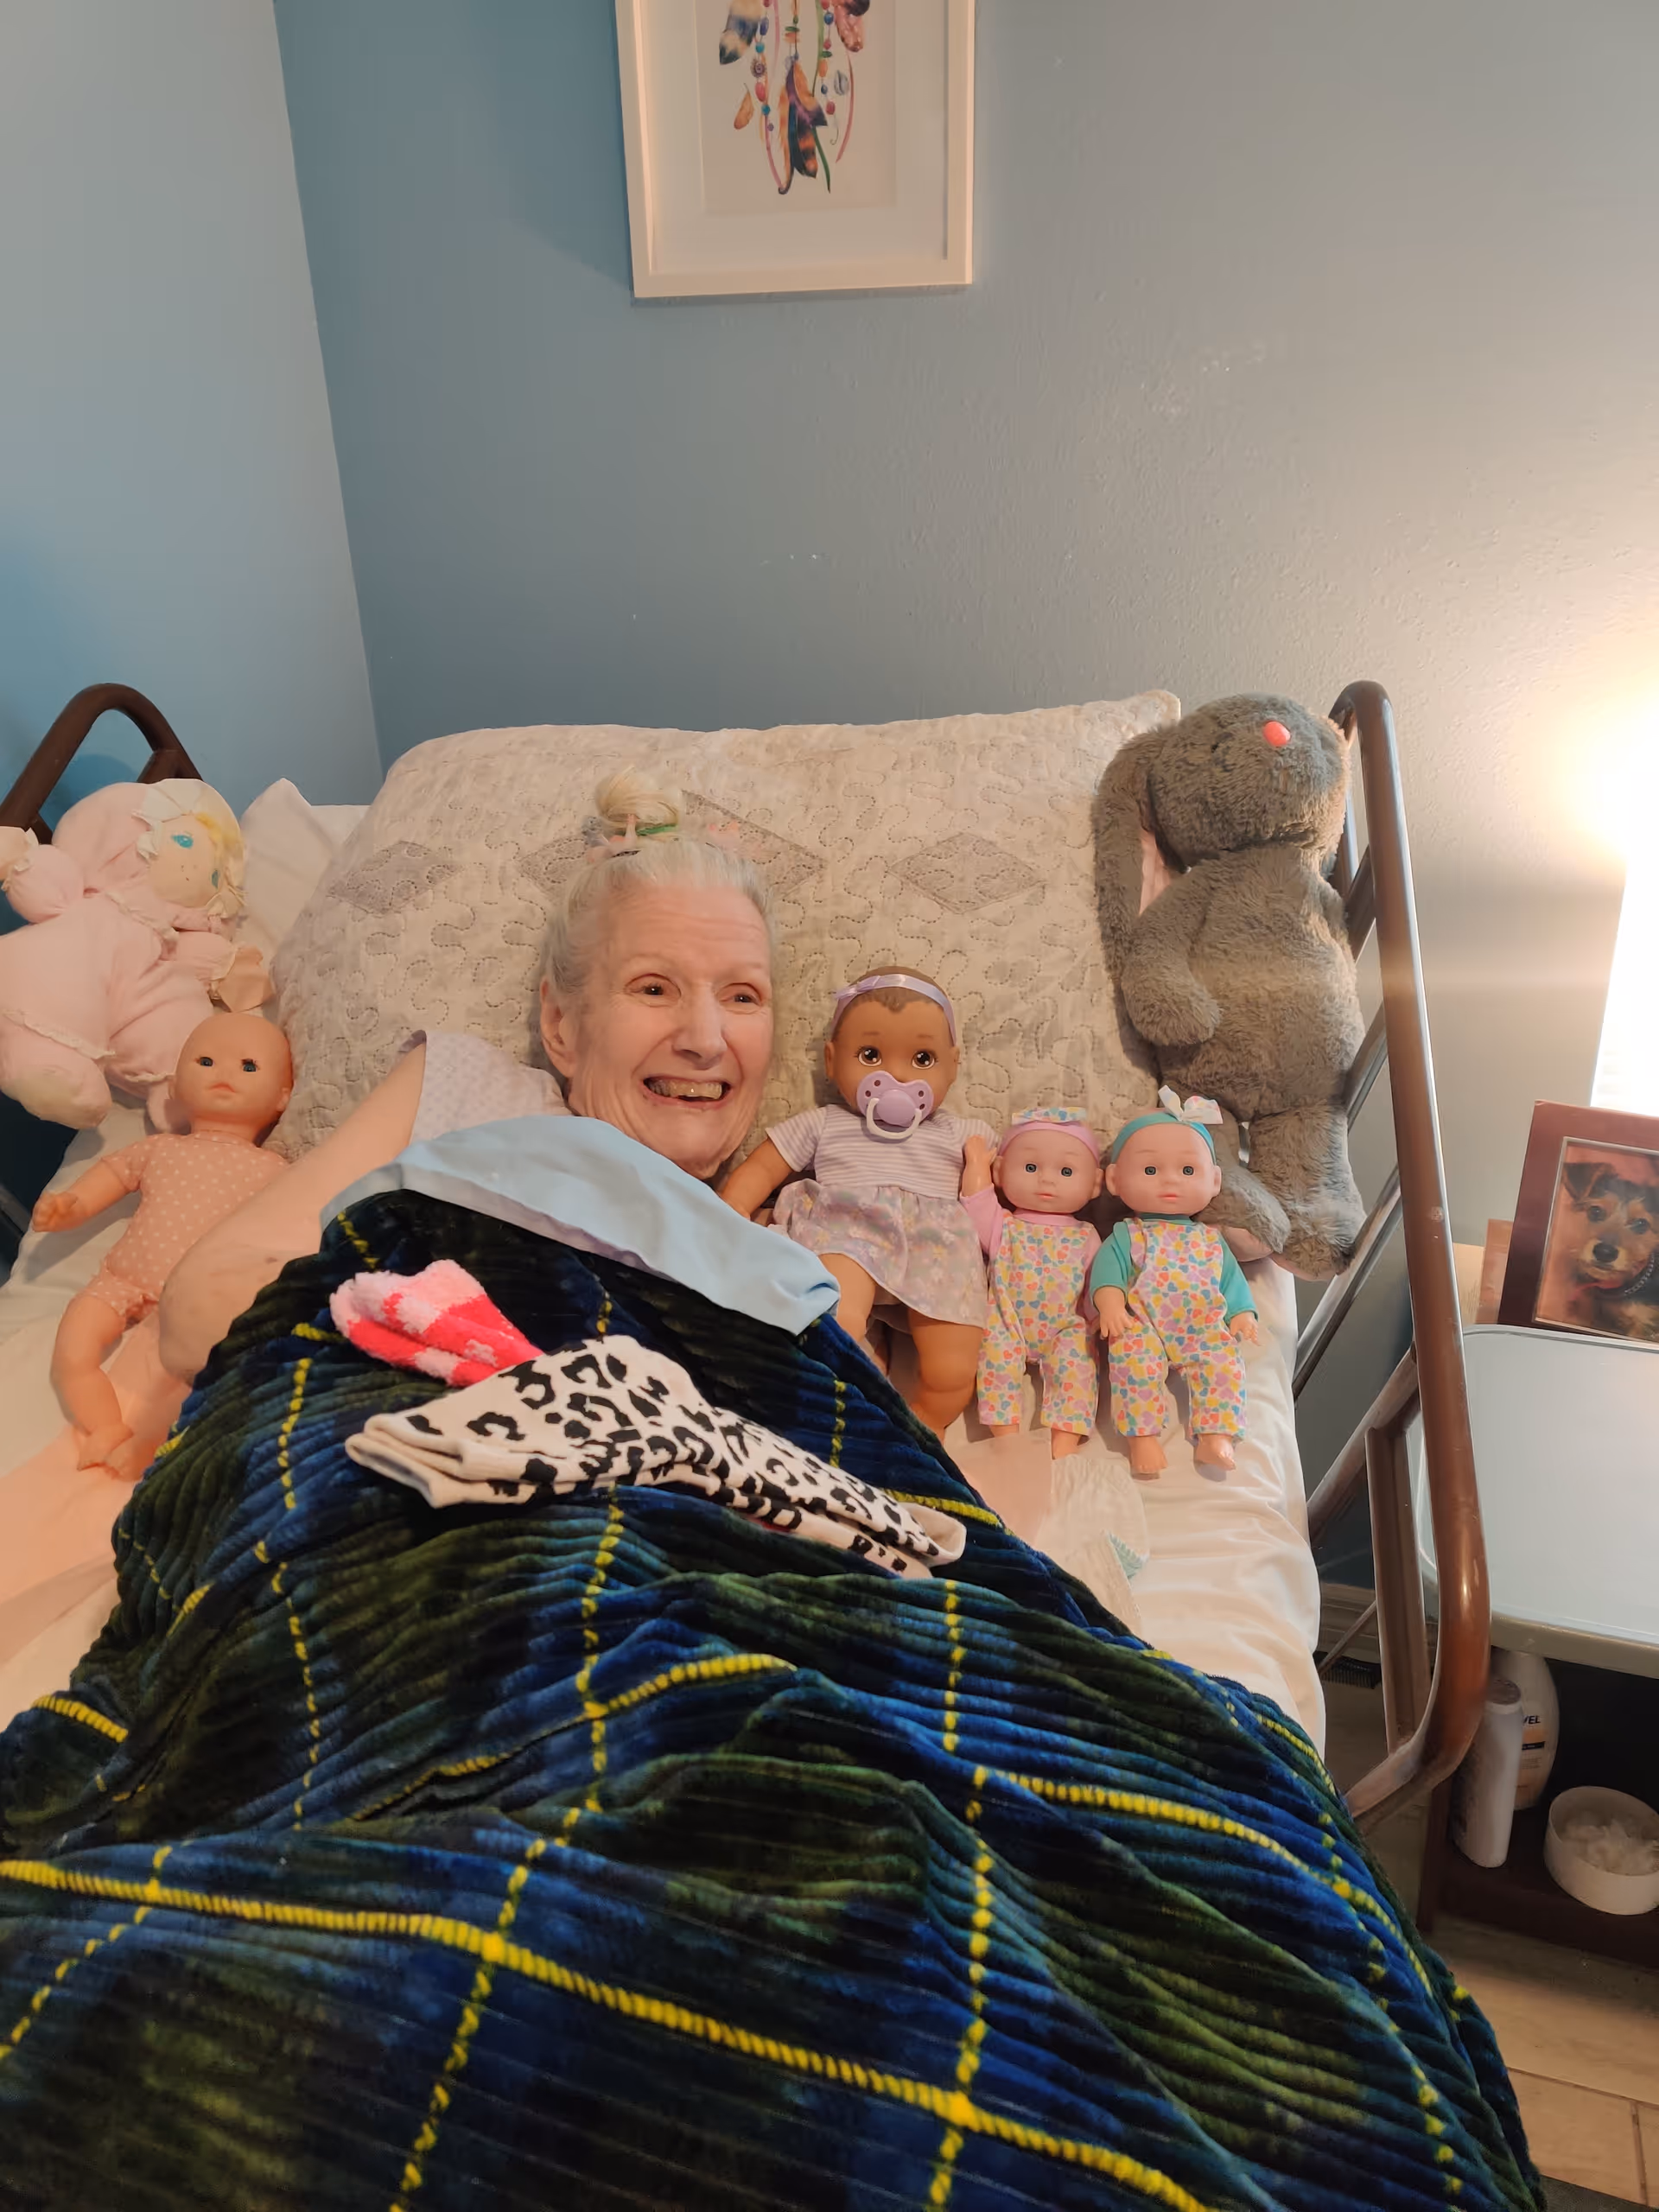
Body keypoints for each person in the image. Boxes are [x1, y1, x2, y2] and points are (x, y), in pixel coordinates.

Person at [160, 772, 775, 1382]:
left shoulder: (796, 1229)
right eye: (653, 988)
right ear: (561, 1026)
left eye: (743, 996)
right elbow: (203, 1310)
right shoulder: (461, 1089)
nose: (704, 1038)